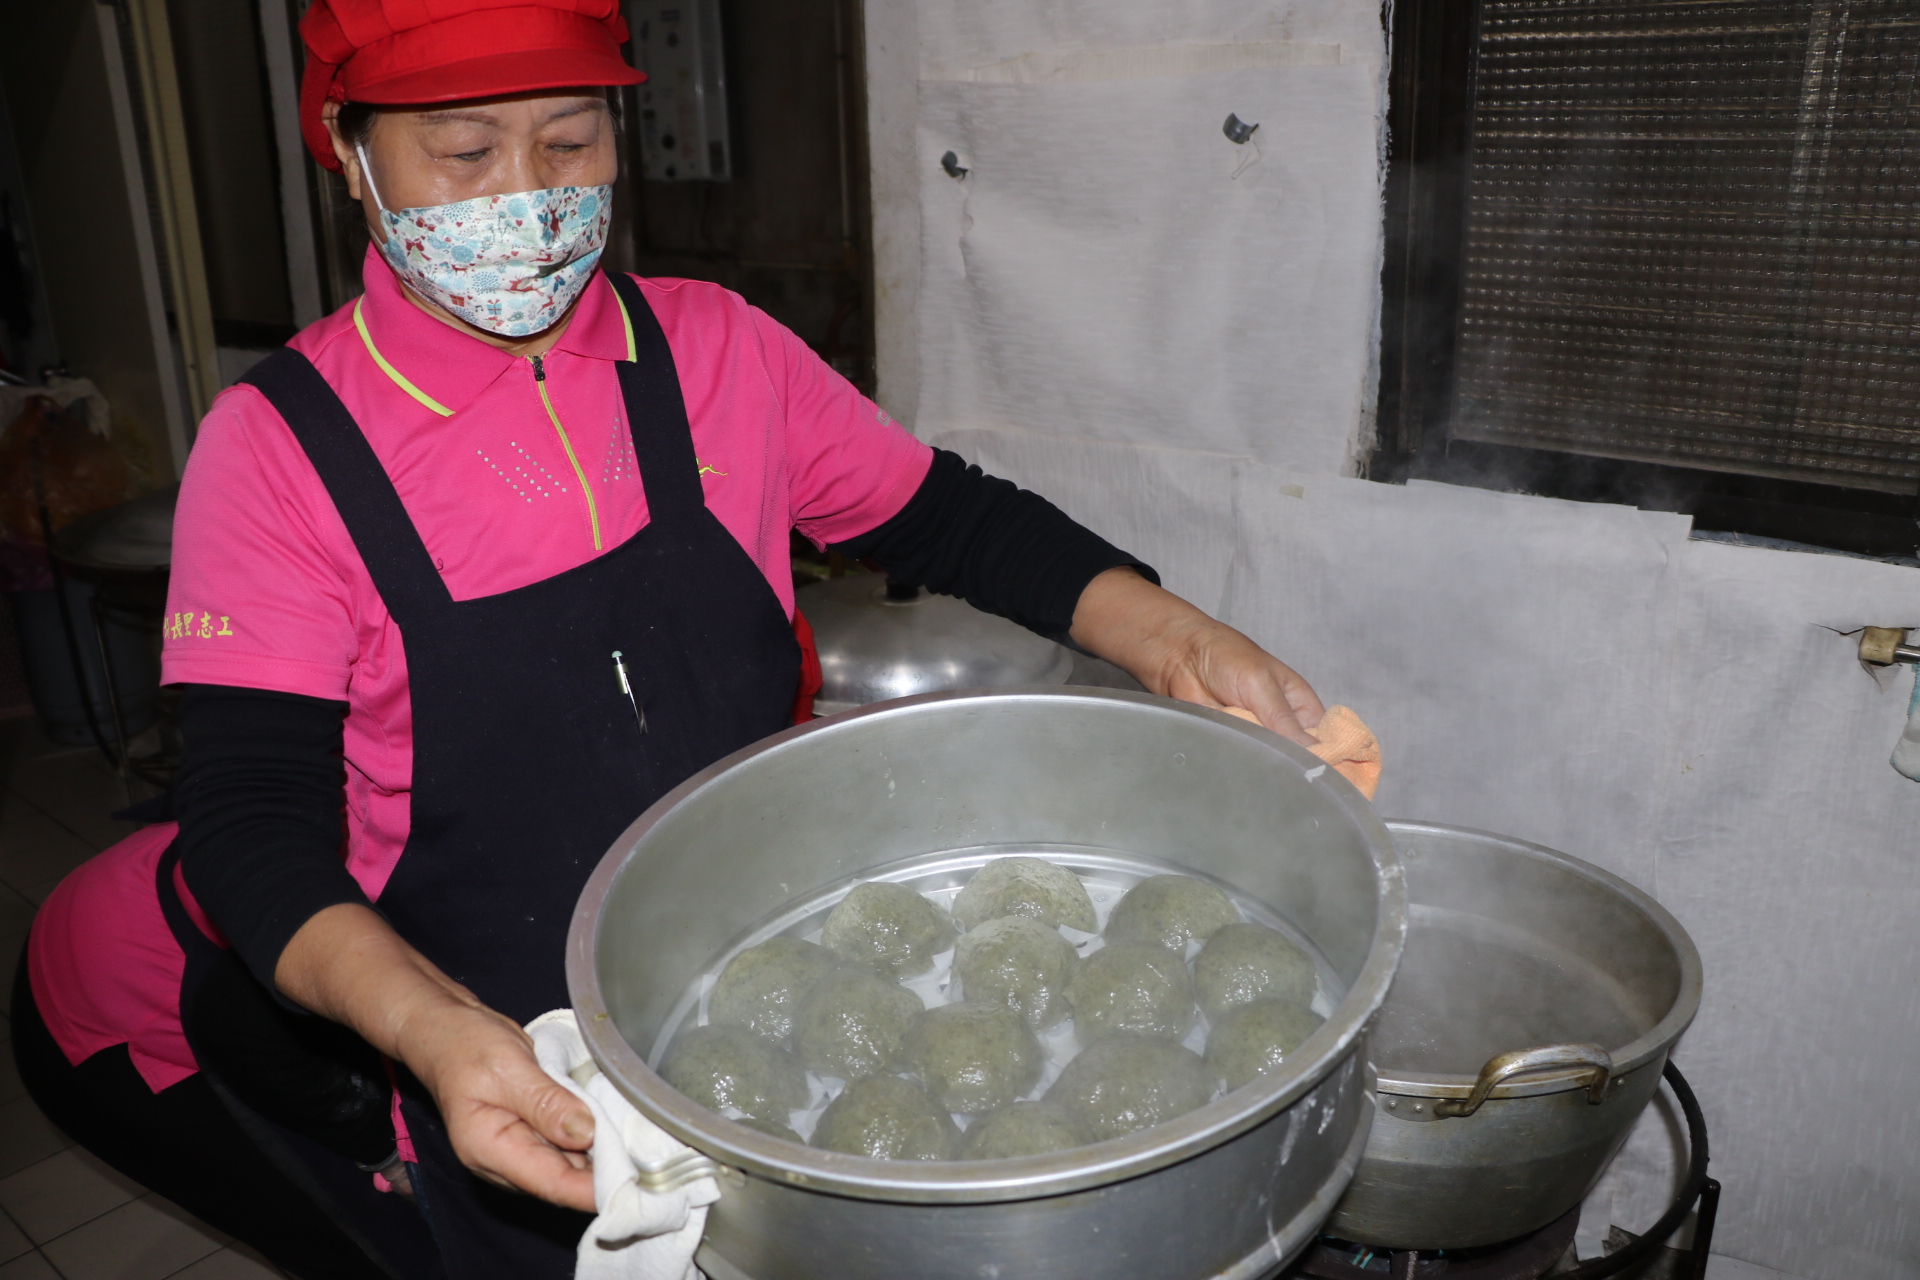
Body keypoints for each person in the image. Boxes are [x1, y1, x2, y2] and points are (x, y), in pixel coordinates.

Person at [13, 0, 1329, 1275]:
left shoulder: (716, 352)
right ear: (352, 160)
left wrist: (1174, 639)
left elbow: (952, 521)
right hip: (355, 1022)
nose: (525, 194)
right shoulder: (283, 447)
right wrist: (436, 1031)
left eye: (570, 139)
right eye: (463, 150)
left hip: (682, 998)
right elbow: (252, 820)